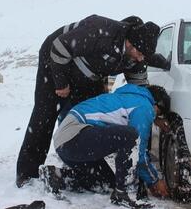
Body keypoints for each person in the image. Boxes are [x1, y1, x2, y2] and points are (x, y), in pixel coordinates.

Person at [16, 14, 161, 187]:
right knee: (45, 113)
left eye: (144, 56)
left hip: (89, 74)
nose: (140, 59)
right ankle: (27, 172)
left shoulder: (137, 57)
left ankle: (87, 168)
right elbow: (59, 48)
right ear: (130, 42)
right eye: (139, 53)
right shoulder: (101, 31)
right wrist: (61, 83)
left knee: (93, 117)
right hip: (56, 61)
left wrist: (152, 112)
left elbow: (139, 93)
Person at [40, 84, 170, 208]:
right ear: (157, 105)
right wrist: (154, 181)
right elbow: (139, 150)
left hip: (66, 143)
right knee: (131, 135)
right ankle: (125, 193)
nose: (154, 118)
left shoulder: (129, 98)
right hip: (74, 136)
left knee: (106, 183)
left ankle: (57, 176)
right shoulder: (145, 106)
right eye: (158, 114)